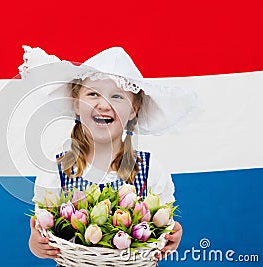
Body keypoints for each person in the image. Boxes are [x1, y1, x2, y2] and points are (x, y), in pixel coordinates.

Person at [19, 46, 199, 263]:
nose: (104, 104)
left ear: (134, 109)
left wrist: (171, 234)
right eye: (93, 94)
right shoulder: (56, 172)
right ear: (77, 103)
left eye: (117, 96)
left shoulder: (151, 171)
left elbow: (165, 227)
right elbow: (43, 233)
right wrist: (37, 245)